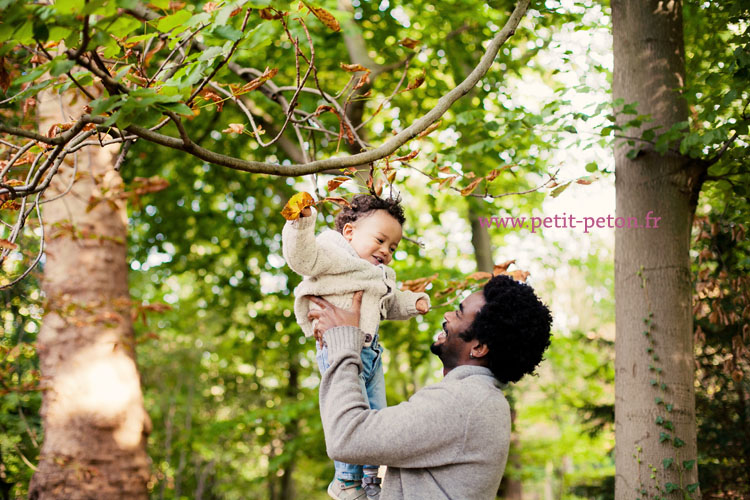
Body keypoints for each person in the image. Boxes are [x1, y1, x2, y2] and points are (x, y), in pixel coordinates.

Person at [307, 274, 553, 500]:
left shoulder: (466, 401)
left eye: (459, 312)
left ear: (479, 348)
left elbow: (346, 437)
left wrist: (344, 340)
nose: (447, 315)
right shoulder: (480, 400)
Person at [282, 194, 430, 500]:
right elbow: (301, 257)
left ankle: (371, 480)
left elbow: (390, 304)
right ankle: (345, 480)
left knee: (377, 416)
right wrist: (300, 222)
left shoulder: (382, 276)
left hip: (371, 352)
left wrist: (413, 303)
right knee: (348, 414)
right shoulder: (331, 254)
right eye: (380, 240)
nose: (386, 251)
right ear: (349, 232)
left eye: (393, 247)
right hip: (338, 348)